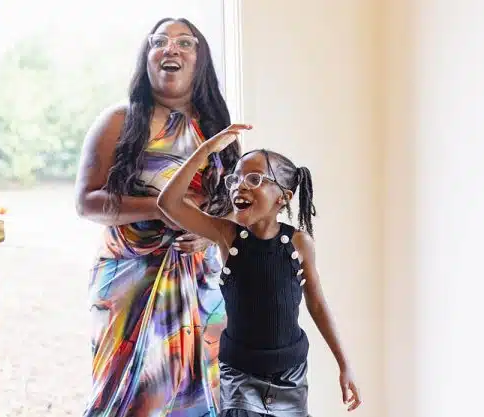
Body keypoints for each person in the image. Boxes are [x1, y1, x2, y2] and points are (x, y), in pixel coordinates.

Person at [75, 17, 240, 417]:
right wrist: (169, 207)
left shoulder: (216, 128)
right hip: (129, 279)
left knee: (201, 396)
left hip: (200, 279)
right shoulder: (119, 120)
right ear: (146, 58)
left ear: (199, 61)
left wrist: (205, 233)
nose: (172, 48)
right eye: (160, 41)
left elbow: (231, 204)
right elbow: (87, 201)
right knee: (129, 395)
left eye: (185, 43)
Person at [157, 125, 362, 416]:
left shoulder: (299, 243)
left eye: (254, 179)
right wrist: (206, 151)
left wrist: (344, 364)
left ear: (283, 197)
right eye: (236, 179)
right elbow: (168, 202)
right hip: (240, 375)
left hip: (291, 376)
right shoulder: (226, 236)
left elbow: (316, 303)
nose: (239, 186)